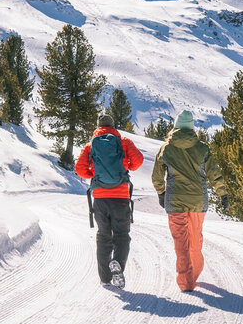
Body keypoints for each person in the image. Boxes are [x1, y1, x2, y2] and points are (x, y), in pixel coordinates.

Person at [151, 110, 228, 292]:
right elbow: (214, 173)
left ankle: (186, 281)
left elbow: (157, 174)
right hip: (197, 201)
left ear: (175, 127)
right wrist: (222, 193)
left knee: (181, 242)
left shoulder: (166, 148)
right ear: (192, 128)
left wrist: (161, 193)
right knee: (195, 240)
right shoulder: (202, 148)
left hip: (175, 201)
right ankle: (194, 273)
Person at [75, 113, 144, 288]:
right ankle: (118, 263)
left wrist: (95, 175)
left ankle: (105, 278)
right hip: (120, 196)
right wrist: (125, 170)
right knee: (122, 235)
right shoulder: (124, 142)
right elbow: (138, 161)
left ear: (98, 126)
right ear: (113, 126)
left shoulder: (91, 145)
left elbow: (80, 169)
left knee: (103, 235)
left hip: (100, 197)